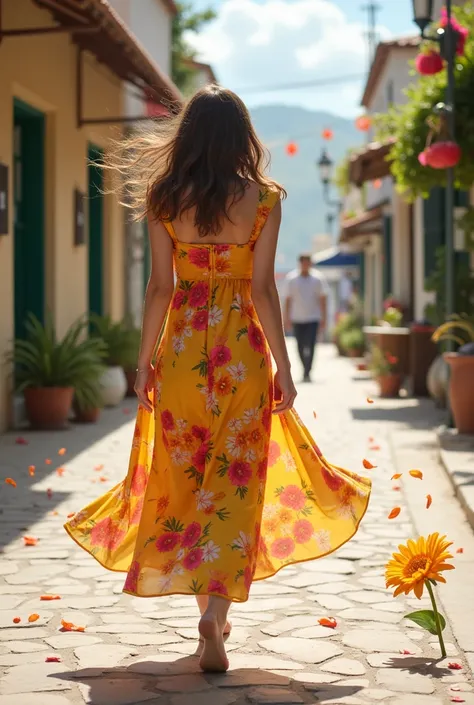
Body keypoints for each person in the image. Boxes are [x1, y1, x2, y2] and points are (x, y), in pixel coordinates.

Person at [64, 85, 371, 674]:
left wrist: (144, 360)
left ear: (188, 136)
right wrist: (283, 364)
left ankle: (204, 611)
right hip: (242, 355)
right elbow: (261, 289)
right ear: (241, 137)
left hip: (181, 352)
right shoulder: (263, 199)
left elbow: (159, 287)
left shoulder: (163, 197)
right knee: (234, 481)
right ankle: (216, 611)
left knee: (185, 478)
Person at [284, 254, 328, 382]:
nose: (305, 265)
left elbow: (323, 299)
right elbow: (288, 300)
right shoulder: (292, 279)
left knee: (311, 344)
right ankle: (304, 367)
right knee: (300, 345)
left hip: (313, 317)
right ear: (300, 263)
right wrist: (286, 318)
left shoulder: (317, 279)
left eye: (307, 263)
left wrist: (324, 318)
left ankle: (307, 371)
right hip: (297, 318)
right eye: (303, 263)